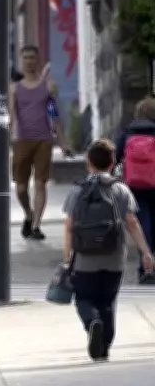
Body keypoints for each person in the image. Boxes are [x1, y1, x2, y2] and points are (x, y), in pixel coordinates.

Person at [63, 139, 154, 360]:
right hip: (114, 256)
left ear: (89, 162)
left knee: (83, 298)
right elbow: (131, 221)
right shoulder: (120, 189)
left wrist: (67, 255)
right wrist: (145, 251)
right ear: (113, 163)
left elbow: (69, 224)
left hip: (85, 257)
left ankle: (92, 322)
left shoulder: (77, 190)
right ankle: (104, 346)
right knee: (108, 300)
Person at [9, 45, 71, 240]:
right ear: (21, 61)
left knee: (40, 184)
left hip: (44, 140)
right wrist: (8, 139)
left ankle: (36, 226)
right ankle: (29, 213)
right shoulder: (14, 88)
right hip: (22, 140)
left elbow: (53, 114)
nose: (29, 61)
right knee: (20, 188)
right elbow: (11, 115)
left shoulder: (48, 86)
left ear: (38, 60)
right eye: (25, 58)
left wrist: (63, 142)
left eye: (32, 58)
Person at [114, 97, 155, 284]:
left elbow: (114, 156)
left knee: (142, 225)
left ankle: (145, 268)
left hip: (135, 186)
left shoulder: (128, 133)